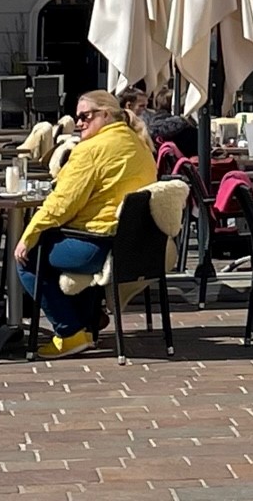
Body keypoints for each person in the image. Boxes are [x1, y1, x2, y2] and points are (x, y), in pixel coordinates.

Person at [17, 90, 158, 359]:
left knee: (27, 259)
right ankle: (90, 322)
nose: (79, 123)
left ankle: (69, 332)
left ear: (105, 115)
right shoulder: (140, 144)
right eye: (76, 117)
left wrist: (29, 234)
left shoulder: (91, 150)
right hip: (133, 246)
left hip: (97, 246)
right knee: (55, 243)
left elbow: (62, 203)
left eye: (85, 116)